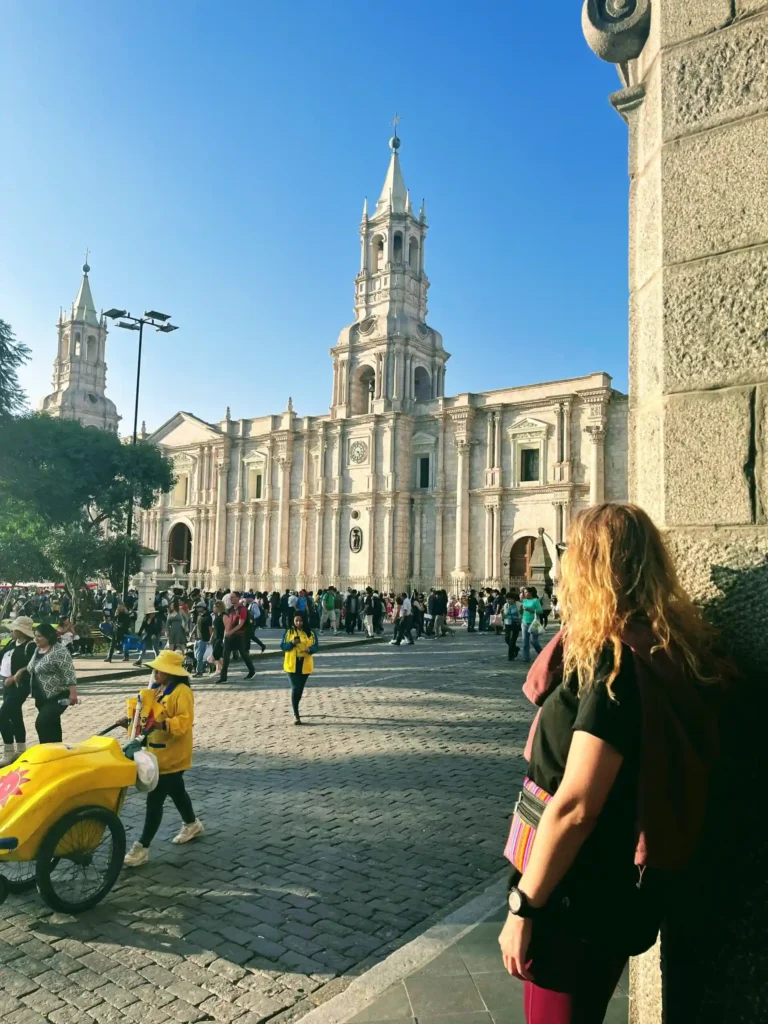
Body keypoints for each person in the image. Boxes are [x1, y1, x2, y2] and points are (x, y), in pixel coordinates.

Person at [498, 503, 722, 1024]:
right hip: (594, 886)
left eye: (570, 553)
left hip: (575, 896)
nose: (558, 567)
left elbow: (577, 805)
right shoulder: (646, 645)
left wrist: (524, 906)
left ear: (595, 567)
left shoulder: (614, 663)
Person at [124, 650, 204, 867]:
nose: (155, 672)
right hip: (156, 752)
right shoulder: (156, 689)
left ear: (171, 672)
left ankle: (142, 846)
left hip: (172, 755)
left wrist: (161, 724)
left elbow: (185, 722)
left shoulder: (182, 692)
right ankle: (191, 823)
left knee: (155, 799)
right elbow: (146, 713)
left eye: (160, 669)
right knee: (177, 790)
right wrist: (131, 719)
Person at [20, 623, 78, 744]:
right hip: (41, 696)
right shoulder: (37, 649)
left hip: (58, 695)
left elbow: (69, 673)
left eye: (40, 636)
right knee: (52, 725)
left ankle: (46, 749)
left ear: (49, 636)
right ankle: (55, 752)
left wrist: (73, 694)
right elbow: (33, 668)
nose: (36, 639)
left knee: (42, 723)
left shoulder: (60, 651)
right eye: (35, 636)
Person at [0, 617, 36, 766]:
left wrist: (17, 675)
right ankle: (21, 748)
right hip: (6, 686)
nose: (12, 631)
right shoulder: (11, 643)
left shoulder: (30, 645)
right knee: (15, 715)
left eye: (15, 629)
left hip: (20, 686)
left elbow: (34, 665)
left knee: (3, 715)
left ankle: (8, 749)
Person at [280, 611, 319, 726]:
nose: (298, 623)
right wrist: (291, 643)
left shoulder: (310, 633)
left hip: (305, 664)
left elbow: (316, 647)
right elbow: (283, 646)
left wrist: (310, 649)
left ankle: (296, 705)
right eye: (296, 620)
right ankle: (296, 714)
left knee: (300, 689)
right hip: (292, 664)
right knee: (295, 688)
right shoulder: (289, 632)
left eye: (300, 621)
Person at [217, 592, 256, 683]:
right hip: (229, 636)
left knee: (243, 654)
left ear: (238, 598)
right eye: (230, 597)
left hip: (239, 635)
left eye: (233, 597)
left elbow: (241, 623)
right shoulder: (230, 610)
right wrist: (226, 633)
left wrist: (231, 631)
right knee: (225, 655)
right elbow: (227, 623)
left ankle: (252, 671)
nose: (231, 599)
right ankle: (223, 677)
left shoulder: (243, 609)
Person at [521, 587, 544, 663]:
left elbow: (540, 611)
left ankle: (542, 654)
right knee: (525, 642)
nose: (525, 594)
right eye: (524, 592)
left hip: (534, 622)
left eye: (526, 592)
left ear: (530, 593)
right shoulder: (524, 601)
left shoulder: (535, 600)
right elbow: (521, 612)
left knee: (533, 641)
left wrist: (530, 610)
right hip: (524, 622)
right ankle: (526, 658)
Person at [193, 602, 213, 677]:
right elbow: (196, 625)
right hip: (198, 638)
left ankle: (199, 671)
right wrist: (192, 634)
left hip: (204, 639)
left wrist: (211, 638)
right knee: (196, 655)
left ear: (203, 608)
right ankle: (206, 667)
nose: (197, 608)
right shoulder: (199, 616)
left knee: (200, 656)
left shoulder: (208, 617)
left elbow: (210, 629)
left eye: (199, 607)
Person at [503, 589, 522, 660]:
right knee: (507, 638)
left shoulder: (519, 605)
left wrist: (520, 619)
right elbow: (505, 614)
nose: (508, 601)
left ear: (514, 599)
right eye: (507, 599)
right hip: (508, 623)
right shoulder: (505, 605)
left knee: (513, 639)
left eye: (510, 599)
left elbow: (522, 613)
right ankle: (516, 648)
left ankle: (510, 656)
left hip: (516, 623)